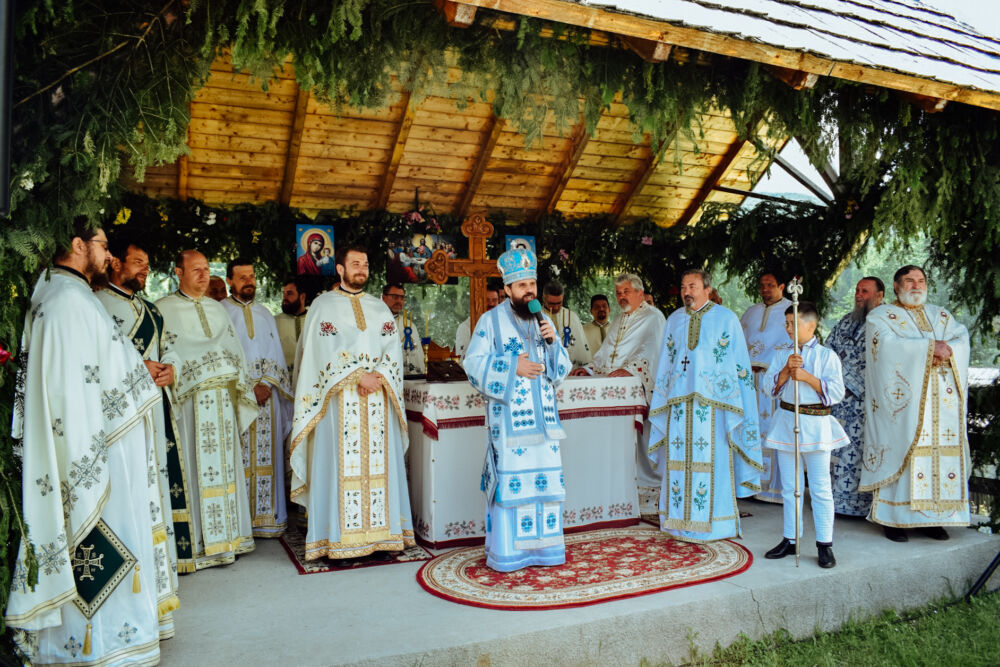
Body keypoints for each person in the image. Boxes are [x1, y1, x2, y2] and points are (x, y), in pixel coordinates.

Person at [6, 219, 172, 665]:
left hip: (93, 438)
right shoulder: (67, 300)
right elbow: (77, 386)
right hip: (94, 450)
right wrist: (141, 377)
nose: (108, 256)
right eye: (102, 246)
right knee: (98, 541)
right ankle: (99, 647)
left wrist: (141, 371)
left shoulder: (63, 293)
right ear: (79, 245)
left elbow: (96, 368)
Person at [289, 247, 415, 561]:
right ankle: (338, 541)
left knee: (378, 467)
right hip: (338, 404)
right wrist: (357, 374)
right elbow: (320, 351)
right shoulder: (323, 306)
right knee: (338, 468)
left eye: (366, 263)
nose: (362, 268)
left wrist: (378, 374)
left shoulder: (379, 308)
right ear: (341, 269)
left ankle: (382, 538)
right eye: (355, 263)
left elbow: (392, 349)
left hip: (378, 401)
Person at [462, 248, 571, 571]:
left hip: (546, 425)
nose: (529, 291)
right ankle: (509, 554)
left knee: (546, 487)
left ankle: (545, 551)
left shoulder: (544, 320)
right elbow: (473, 364)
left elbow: (560, 369)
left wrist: (552, 345)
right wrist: (513, 368)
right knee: (513, 487)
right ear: (507, 289)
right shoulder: (490, 322)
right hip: (509, 426)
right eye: (521, 285)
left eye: (531, 284)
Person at [96, 236, 189, 612]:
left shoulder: (152, 311)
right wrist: (140, 367)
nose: (144, 270)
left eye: (147, 265)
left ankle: (159, 567)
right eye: (137, 263)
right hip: (118, 413)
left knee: (156, 481)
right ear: (116, 263)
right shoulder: (97, 303)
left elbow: (169, 347)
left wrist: (172, 368)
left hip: (153, 409)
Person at [156, 250, 259, 570]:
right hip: (189, 406)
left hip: (223, 405)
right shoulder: (162, 310)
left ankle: (231, 537)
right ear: (178, 272)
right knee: (194, 470)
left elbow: (234, 353)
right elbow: (164, 354)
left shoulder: (217, 310)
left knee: (226, 469)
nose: (203, 275)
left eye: (206, 269)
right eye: (195, 270)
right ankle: (201, 545)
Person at [648, 269, 762, 542]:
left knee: (712, 462)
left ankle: (717, 525)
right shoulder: (674, 320)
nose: (687, 291)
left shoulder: (726, 319)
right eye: (683, 286)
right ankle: (676, 523)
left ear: (707, 290)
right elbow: (667, 362)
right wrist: (663, 397)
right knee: (678, 463)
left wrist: (733, 403)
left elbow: (737, 366)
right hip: (678, 406)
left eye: (692, 286)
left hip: (713, 408)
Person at [861, 265, 971, 542]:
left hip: (941, 406)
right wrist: (927, 349)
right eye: (909, 281)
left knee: (935, 455)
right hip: (903, 406)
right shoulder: (881, 316)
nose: (916, 286)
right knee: (904, 453)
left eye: (920, 281)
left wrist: (949, 349)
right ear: (897, 286)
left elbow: (961, 339)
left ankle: (932, 519)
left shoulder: (940, 314)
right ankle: (893, 520)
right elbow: (884, 348)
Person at [762, 302, 848, 568]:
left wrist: (807, 377)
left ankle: (824, 543)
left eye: (793, 324)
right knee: (791, 486)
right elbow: (768, 388)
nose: (788, 329)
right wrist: (786, 371)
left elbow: (836, 392)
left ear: (811, 325)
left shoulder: (826, 356)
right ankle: (791, 539)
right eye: (786, 324)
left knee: (821, 488)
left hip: (816, 425)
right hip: (787, 422)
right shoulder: (781, 355)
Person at [571, 274, 666, 507]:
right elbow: (605, 352)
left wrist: (631, 370)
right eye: (618, 293)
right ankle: (619, 487)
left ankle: (648, 490)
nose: (621, 296)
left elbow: (651, 349)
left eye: (626, 291)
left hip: (637, 387)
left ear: (639, 293)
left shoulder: (653, 317)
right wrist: (590, 370)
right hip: (614, 386)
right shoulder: (620, 319)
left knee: (641, 441)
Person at [221, 258, 294, 537]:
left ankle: (268, 520)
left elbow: (275, 352)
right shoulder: (220, 312)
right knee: (237, 458)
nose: (248, 281)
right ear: (230, 280)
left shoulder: (265, 313)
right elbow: (223, 355)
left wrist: (265, 383)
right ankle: (240, 524)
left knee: (269, 455)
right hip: (236, 396)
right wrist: (246, 387)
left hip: (268, 396)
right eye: (242, 277)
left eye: (251, 276)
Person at [826, 277, 884, 516]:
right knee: (836, 451)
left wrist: (850, 383)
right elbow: (828, 350)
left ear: (880, 295)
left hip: (865, 402)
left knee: (859, 452)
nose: (859, 295)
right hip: (839, 400)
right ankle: (833, 502)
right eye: (857, 290)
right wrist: (834, 382)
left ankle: (859, 507)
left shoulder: (886, 324)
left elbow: (883, 361)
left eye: (865, 291)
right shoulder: (846, 321)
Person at [740, 270, 792, 503]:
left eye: (770, 285)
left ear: (782, 286)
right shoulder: (751, 312)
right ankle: (750, 483)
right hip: (750, 381)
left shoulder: (792, 311)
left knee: (773, 430)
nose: (765, 289)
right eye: (762, 285)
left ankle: (774, 489)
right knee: (749, 429)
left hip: (775, 382)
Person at [542, 280, 591, 368]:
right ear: (544, 298)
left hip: (571, 369)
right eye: (552, 304)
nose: (556, 307)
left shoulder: (571, 316)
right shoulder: (536, 317)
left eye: (559, 303)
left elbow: (581, 346)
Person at [382, 282, 426, 375]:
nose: (399, 301)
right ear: (384, 298)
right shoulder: (374, 323)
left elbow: (418, 356)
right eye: (395, 297)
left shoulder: (410, 326)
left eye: (402, 298)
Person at [275, 275, 311, 371]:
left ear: (302, 297)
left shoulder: (313, 320)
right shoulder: (275, 322)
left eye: (289, 293)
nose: (285, 297)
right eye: (284, 293)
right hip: (284, 381)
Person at [454, 285, 500, 359]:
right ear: (480, 302)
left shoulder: (503, 324)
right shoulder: (466, 327)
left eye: (494, 300)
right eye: (487, 300)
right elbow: (463, 359)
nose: (491, 304)